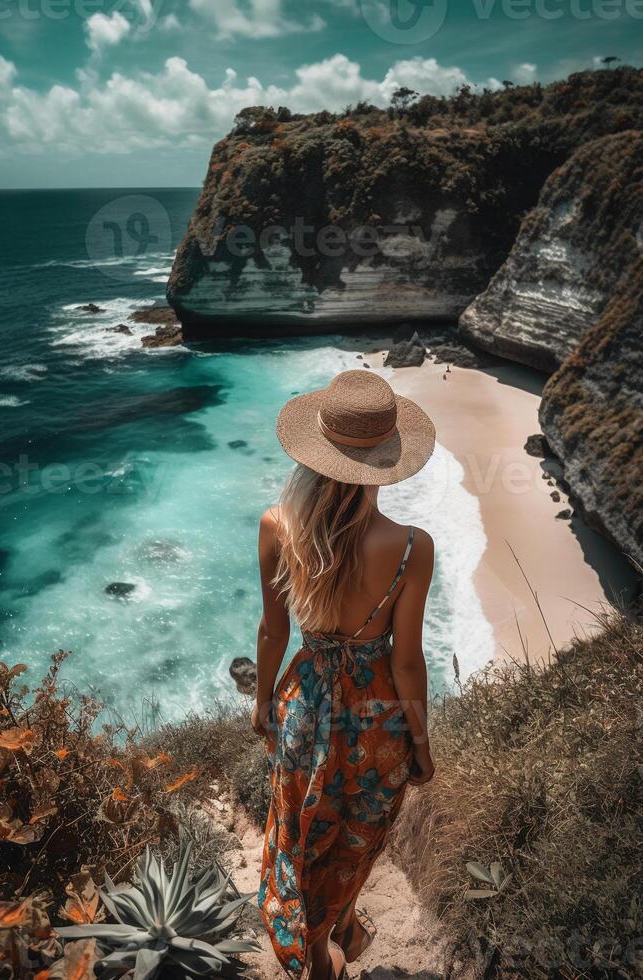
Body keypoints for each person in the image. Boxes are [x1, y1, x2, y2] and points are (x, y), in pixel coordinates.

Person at [252, 370, 436, 980]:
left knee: (302, 828)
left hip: (302, 706)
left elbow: (273, 630)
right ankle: (331, 939)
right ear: (387, 461)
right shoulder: (412, 546)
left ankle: (321, 938)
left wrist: (261, 704)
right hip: (377, 715)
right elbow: (408, 660)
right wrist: (422, 743)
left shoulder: (278, 525)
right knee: (357, 832)